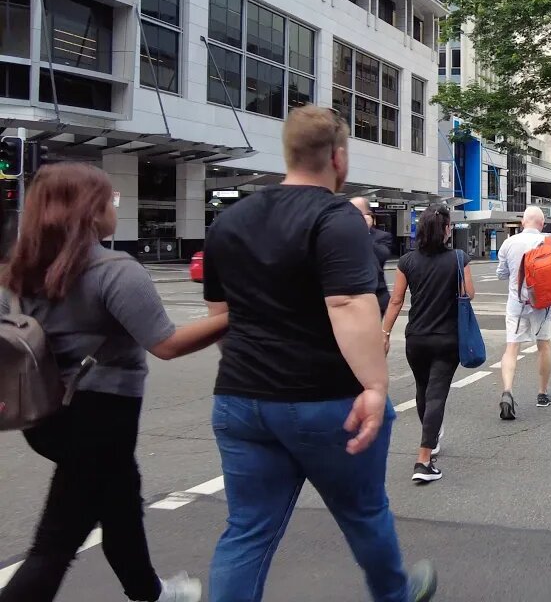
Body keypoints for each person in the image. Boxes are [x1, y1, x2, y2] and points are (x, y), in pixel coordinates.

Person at [202, 106, 436, 602]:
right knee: (363, 513)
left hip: (241, 398)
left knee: (247, 530)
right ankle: (395, 594)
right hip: (326, 400)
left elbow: (220, 313)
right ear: (338, 157)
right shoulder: (336, 218)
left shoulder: (230, 220)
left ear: (288, 152)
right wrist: (375, 386)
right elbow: (348, 303)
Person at [0, 163, 228, 602]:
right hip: (101, 416)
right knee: (56, 544)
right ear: (90, 212)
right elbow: (167, 344)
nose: (114, 209)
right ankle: (154, 593)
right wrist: (234, 314)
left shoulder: (20, 270)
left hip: (44, 414)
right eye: (110, 201)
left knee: (121, 501)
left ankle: (151, 592)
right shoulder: (114, 269)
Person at [382, 204, 474, 484]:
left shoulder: (407, 261)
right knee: (437, 395)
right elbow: (468, 294)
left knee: (423, 391)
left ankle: (430, 441)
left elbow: (396, 300)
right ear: (446, 230)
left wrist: (384, 333)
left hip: (416, 339)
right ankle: (423, 461)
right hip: (447, 339)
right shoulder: (459, 258)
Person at [495, 206, 551, 418]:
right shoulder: (550, 244)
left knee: (511, 348)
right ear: (542, 224)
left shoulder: (508, 243)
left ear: (523, 222)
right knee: (544, 346)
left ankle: (507, 392)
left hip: (516, 303)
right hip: (542, 304)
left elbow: (501, 274)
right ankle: (542, 394)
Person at [351, 197, 394, 315]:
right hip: (349, 297)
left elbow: (380, 257)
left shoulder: (382, 237)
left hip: (375, 295)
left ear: (368, 215)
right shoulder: (344, 233)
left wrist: (364, 232)